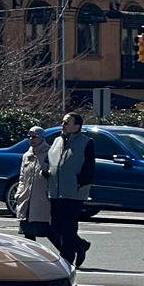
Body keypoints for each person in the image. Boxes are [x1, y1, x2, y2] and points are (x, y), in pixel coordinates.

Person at [47, 110, 95, 268]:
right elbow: (51, 161)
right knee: (55, 226)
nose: (63, 124)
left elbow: (89, 167)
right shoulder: (57, 141)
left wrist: (81, 183)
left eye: (67, 122)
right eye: (63, 121)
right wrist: (47, 172)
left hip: (73, 193)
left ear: (77, 126)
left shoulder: (86, 142)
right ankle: (80, 245)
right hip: (55, 191)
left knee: (68, 227)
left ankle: (66, 260)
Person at [13, 125, 52, 240]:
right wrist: (19, 193)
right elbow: (22, 177)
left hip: (42, 200)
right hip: (26, 200)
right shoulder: (27, 155)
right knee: (28, 234)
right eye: (29, 137)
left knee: (49, 232)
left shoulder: (49, 153)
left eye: (34, 137)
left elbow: (56, 174)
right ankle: (32, 256)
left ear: (41, 138)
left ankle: (66, 254)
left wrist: (48, 173)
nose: (31, 139)